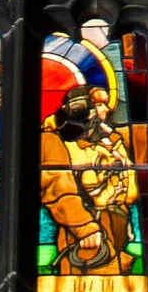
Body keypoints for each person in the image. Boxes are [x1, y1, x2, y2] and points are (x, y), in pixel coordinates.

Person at [40, 86, 140, 280]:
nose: (105, 110)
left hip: (116, 220)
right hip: (88, 228)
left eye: (104, 103)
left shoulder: (112, 141)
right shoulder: (56, 142)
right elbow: (59, 189)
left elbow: (129, 183)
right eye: (99, 104)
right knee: (91, 275)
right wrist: (83, 226)